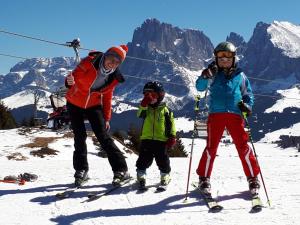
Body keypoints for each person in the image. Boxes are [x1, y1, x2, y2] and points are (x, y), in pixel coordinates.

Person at [195, 41, 261, 194]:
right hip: (216, 115)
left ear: (234, 59)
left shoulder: (241, 76)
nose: (225, 60)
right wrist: (205, 76)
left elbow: (248, 94)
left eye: (228, 57)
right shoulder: (212, 73)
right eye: (221, 57)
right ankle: (204, 178)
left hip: (235, 115)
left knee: (243, 147)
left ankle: (253, 177)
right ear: (216, 59)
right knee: (211, 148)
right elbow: (200, 87)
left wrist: (247, 106)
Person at [65, 45, 130, 187]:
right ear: (105, 55)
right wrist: (69, 82)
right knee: (80, 137)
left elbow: (107, 98)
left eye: (116, 62)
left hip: (93, 105)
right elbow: (73, 78)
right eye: (110, 59)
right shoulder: (89, 62)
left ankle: (121, 170)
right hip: (74, 102)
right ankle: (81, 170)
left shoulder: (113, 77)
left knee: (104, 137)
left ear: (119, 64)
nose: (111, 63)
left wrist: (106, 118)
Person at [136, 81, 177, 188]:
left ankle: (165, 174)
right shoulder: (146, 108)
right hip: (146, 138)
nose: (150, 98)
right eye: (146, 96)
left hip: (161, 140)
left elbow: (171, 124)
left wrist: (172, 136)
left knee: (162, 159)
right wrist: (144, 104)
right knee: (144, 158)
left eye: (153, 95)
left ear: (160, 96)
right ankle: (141, 173)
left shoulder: (166, 110)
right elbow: (140, 114)